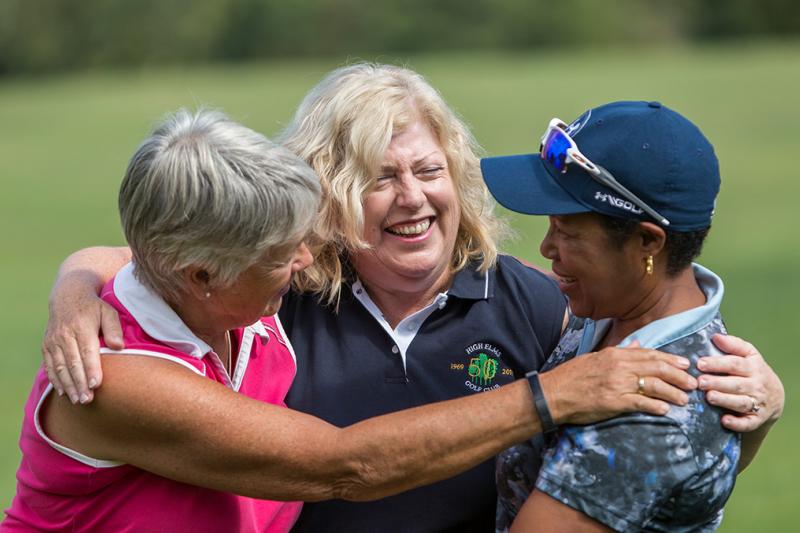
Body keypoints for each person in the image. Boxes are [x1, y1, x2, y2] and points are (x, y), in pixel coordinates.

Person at [40, 65, 784, 532]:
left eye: (427, 169)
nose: (411, 198)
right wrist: (77, 285)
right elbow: (154, 264)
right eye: (377, 178)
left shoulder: (547, 304)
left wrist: (749, 413)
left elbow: (644, 461)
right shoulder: (279, 297)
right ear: (327, 199)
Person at [482, 100, 782, 531]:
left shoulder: (652, 405)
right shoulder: (616, 306)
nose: (547, 249)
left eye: (567, 232)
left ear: (647, 242)